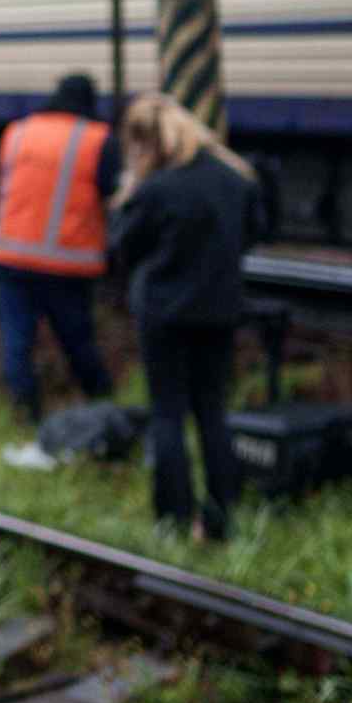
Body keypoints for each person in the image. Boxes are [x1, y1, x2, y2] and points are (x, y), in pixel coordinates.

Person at [107, 93, 264, 543]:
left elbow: (122, 248)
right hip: (220, 309)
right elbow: (253, 234)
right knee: (213, 412)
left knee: (168, 414)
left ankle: (173, 522)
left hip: (164, 313)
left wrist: (128, 192)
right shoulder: (236, 178)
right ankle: (220, 520)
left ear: (146, 140)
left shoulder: (156, 188)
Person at [0, 73, 118, 433]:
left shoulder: (17, 132)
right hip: (66, 260)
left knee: (16, 341)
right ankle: (102, 403)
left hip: (10, 256)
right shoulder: (97, 139)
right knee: (77, 338)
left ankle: (24, 415)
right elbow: (114, 195)